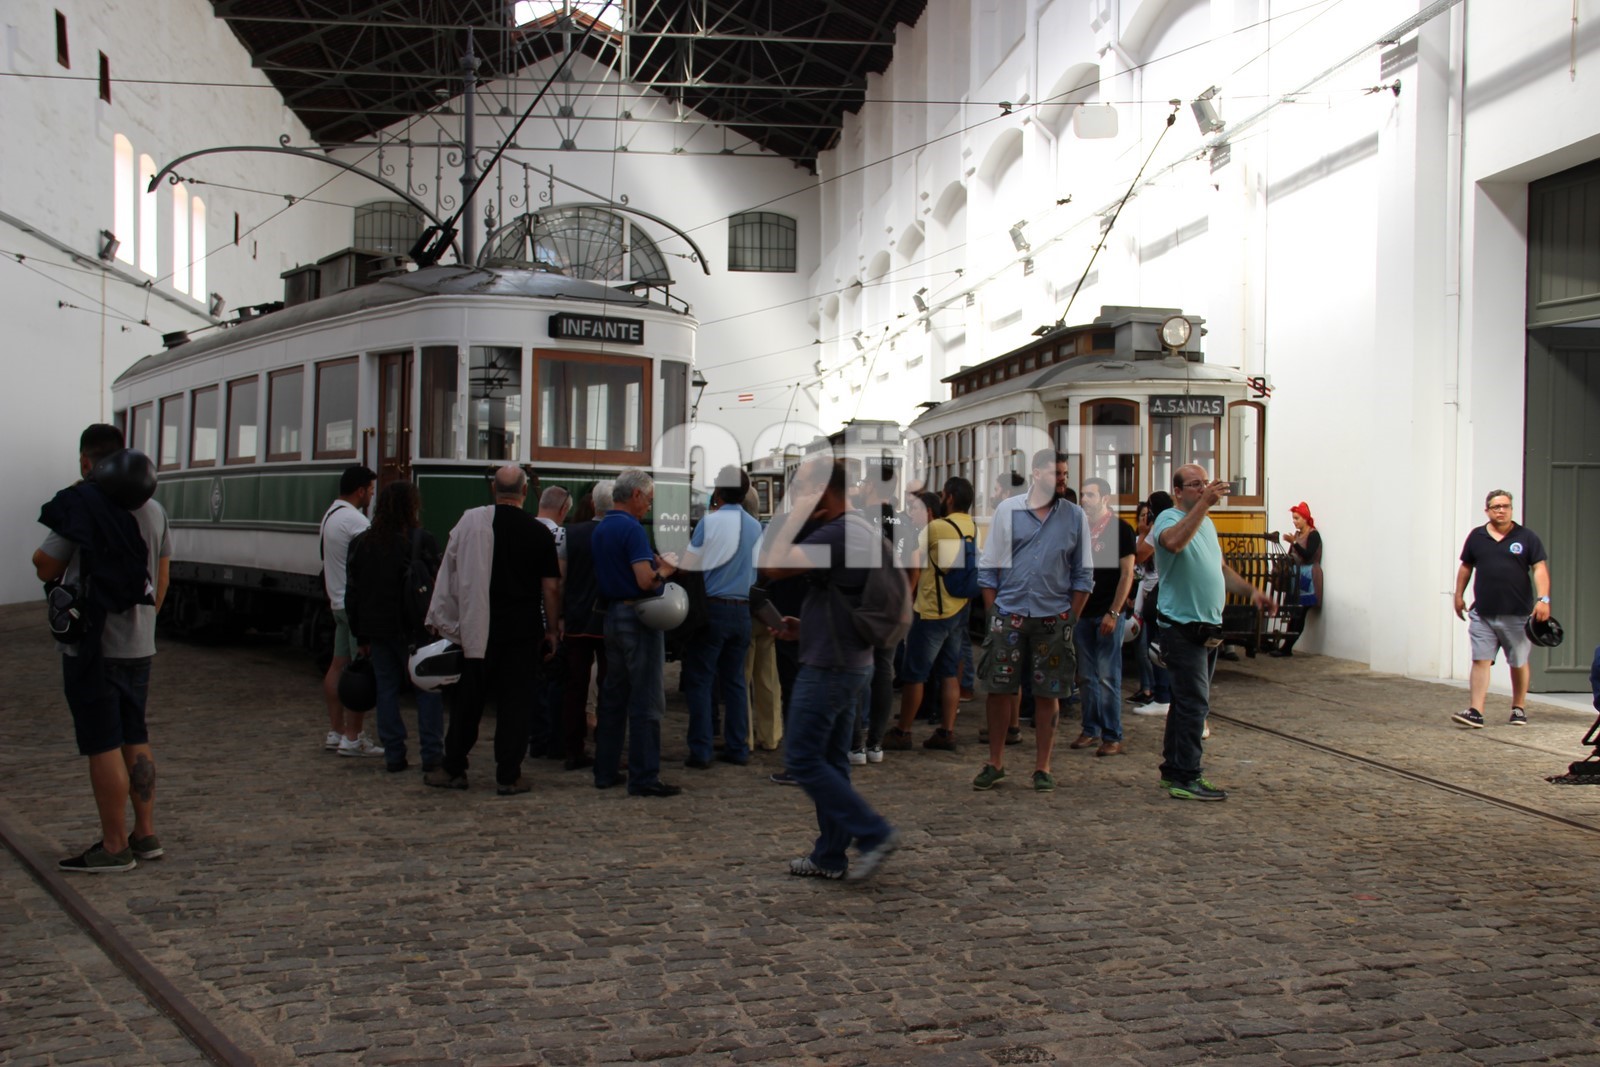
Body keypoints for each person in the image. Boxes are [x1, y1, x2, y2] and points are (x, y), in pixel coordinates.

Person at [34, 424, 171, 872]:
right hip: (140, 643)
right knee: (136, 734)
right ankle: (145, 834)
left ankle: (114, 846)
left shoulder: (85, 504)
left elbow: (45, 565)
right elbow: (163, 576)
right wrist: (145, 624)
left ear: (86, 461)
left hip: (96, 644)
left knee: (103, 742)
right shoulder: (154, 509)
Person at [760, 454, 900, 881]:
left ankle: (873, 833)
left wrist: (794, 514)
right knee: (832, 761)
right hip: (847, 659)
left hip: (831, 667)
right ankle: (831, 856)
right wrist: (805, 629)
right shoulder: (855, 528)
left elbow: (772, 563)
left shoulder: (840, 532)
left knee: (802, 758)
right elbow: (844, 597)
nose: (797, 495)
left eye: (803, 487)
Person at [423, 465, 561, 794]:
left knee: (468, 701)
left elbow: (449, 571)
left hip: (479, 627)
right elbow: (550, 587)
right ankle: (509, 775)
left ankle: (453, 768)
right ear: (525, 492)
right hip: (522, 629)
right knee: (515, 704)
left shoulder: (471, 523)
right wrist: (552, 630)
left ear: (493, 490)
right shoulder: (539, 533)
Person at [970, 449, 1094, 793]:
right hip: (1009, 613)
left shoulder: (1074, 516)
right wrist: (994, 611)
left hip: (1053, 617)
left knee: (1048, 692)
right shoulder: (1008, 510)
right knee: (999, 689)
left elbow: (1083, 574)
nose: (1062, 480)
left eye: (1065, 474)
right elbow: (989, 566)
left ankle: (1043, 767)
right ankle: (995, 762)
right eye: (1056, 473)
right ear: (1037, 474)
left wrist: (1070, 617)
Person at [1151, 465, 1275, 801]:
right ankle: (1187, 775)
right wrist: (1204, 503)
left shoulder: (1206, 523)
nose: (1203, 489)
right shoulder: (1168, 518)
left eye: (1205, 484)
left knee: (1186, 702)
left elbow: (1220, 569)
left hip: (1206, 626)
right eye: (1195, 485)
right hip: (1180, 626)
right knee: (1195, 703)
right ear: (1178, 491)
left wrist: (1251, 592)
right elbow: (1173, 543)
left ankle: (1174, 770)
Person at [592, 469, 682, 797]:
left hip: (612, 616)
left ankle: (605, 770)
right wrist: (666, 569)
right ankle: (644, 776)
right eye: (649, 500)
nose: (649, 507)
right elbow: (645, 580)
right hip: (638, 616)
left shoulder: (602, 527)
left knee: (614, 696)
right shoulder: (632, 529)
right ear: (636, 495)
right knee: (646, 698)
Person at [344, 480, 444, 774]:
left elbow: (353, 593)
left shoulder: (362, 543)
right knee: (428, 689)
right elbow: (437, 584)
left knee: (386, 689)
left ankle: (394, 754)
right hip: (415, 626)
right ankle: (432, 754)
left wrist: (360, 634)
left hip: (378, 628)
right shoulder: (421, 540)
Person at [681, 466, 763, 769]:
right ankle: (738, 746)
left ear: (718, 490)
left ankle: (701, 750)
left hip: (712, 608)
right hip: (742, 609)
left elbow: (689, 565)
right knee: (735, 682)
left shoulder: (709, 522)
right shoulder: (756, 527)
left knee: (701, 681)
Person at [886, 478, 975, 751]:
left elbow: (913, 559)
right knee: (949, 672)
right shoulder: (970, 526)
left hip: (931, 609)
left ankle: (903, 731)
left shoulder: (936, 527)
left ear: (949, 497)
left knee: (915, 673)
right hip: (958, 607)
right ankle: (946, 731)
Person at [1451, 490, 1551, 728]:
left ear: (1511, 509)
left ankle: (1518, 707)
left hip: (1517, 613)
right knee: (1481, 659)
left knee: (1518, 661)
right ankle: (1475, 711)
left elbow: (1539, 568)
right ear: (1487, 510)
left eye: (1505, 506)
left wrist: (1543, 599)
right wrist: (1458, 595)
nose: (1501, 511)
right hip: (1483, 612)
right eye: (1496, 507)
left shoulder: (1526, 537)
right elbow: (1466, 567)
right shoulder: (1477, 537)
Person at [1069, 477, 1137, 757]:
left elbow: (1127, 574)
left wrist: (1114, 611)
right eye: (1083, 495)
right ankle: (1090, 728)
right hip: (1083, 613)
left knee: (1108, 676)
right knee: (1086, 676)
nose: (1084, 500)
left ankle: (1112, 735)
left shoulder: (1120, 530)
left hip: (1107, 612)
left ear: (1105, 499)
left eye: (1091, 495)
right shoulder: (1080, 529)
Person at [321, 465, 380, 757]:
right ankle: (354, 737)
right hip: (354, 607)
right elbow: (370, 562)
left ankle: (336, 731)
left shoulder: (330, 516)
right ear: (360, 491)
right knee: (360, 671)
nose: (371, 495)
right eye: (370, 490)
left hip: (337, 601)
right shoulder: (356, 521)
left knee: (337, 666)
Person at [558, 481, 610, 770]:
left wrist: (558, 616)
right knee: (609, 684)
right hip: (608, 618)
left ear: (592, 503)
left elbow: (560, 580)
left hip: (577, 617)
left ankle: (573, 748)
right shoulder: (621, 532)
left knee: (575, 686)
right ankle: (607, 743)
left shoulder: (571, 533)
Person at [529, 485, 572, 759]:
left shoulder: (523, 530)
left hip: (523, 616)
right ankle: (553, 740)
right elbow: (556, 585)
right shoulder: (561, 536)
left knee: (530, 682)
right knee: (554, 680)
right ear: (564, 509)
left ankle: (535, 738)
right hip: (549, 619)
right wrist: (555, 625)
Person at [1130, 492, 1174, 716]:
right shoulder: (1173, 522)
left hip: (1157, 593)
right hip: (1159, 592)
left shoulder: (1159, 527)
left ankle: (1162, 696)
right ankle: (1162, 694)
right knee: (1155, 645)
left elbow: (1138, 555)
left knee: (1155, 647)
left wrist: (1143, 532)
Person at [1273, 501, 1323, 657]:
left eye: (1297, 518)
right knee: (1294, 613)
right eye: (1293, 518)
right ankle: (1286, 647)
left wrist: (1294, 542)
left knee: (1300, 613)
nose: (1294, 521)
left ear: (1305, 518)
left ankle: (1287, 647)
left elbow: (1308, 555)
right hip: (1296, 577)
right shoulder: (1297, 535)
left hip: (1308, 577)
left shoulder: (1313, 535)